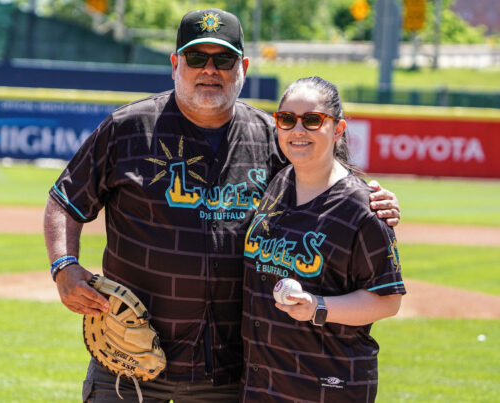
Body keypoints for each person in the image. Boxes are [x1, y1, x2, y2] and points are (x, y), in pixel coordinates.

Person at [43, 9, 400, 403]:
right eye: (197, 58)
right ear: (176, 64)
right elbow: (65, 200)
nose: (209, 70)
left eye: (223, 60)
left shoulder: (271, 138)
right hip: (129, 364)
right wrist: (64, 266)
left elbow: (325, 174)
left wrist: (370, 198)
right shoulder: (128, 129)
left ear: (242, 67)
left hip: (228, 374)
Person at [240, 76, 405, 403]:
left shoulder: (362, 208)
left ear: (338, 129)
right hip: (263, 384)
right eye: (286, 119)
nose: (297, 130)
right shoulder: (277, 184)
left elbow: (388, 300)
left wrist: (318, 307)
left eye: (312, 120)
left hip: (328, 384)